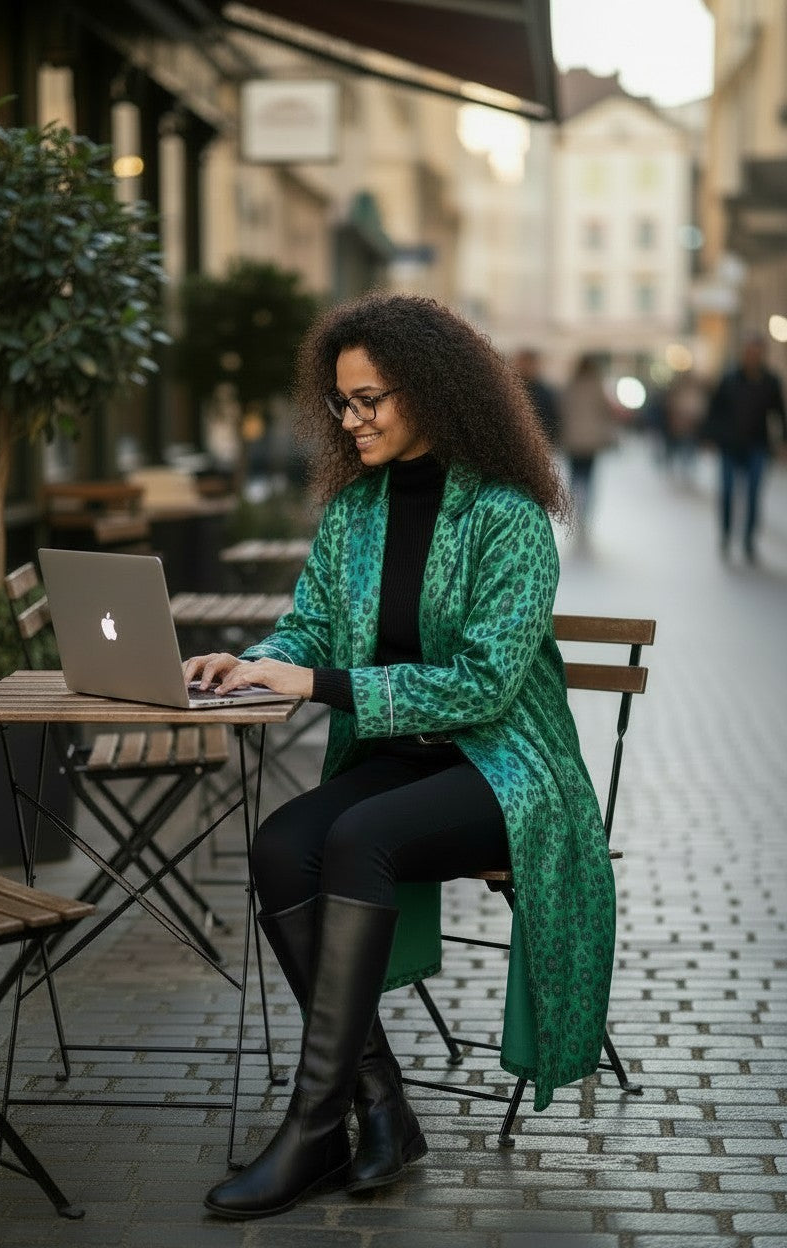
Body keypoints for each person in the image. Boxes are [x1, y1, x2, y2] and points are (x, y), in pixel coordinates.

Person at [184, 294, 617, 1222]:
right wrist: (255, 662)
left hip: (507, 768)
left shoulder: (508, 517)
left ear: (431, 389)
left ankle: (313, 1130)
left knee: (359, 841)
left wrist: (320, 686)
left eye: (371, 398)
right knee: (277, 845)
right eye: (342, 404)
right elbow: (309, 625)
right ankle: (380, 1105)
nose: (354, 420)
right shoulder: (355, 513)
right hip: (405, 758)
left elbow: (484, 685)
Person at [703, 334, 786, 562]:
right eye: (749, 352)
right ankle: (727, 535)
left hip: (757, 445)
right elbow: (715, 410)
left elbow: (779, 413)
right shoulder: (729, 379)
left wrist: (782, 442)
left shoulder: (771, 381)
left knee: (752, 494)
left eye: (757, 352)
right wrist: (710, 437)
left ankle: (749, 540)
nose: (753, 356)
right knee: (728, 492)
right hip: (730, 445)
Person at [558, 354, 618, 542]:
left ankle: (575, 508)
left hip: (572, 439)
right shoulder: (597, 385)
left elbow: (561, 409)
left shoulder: (570, 385)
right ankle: (586, 512)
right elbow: (606, 410)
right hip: (591, 440)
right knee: (589, 476)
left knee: (574, 475)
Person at [514, 347, 560, 444]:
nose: (524, 367)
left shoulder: (545, 392)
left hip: (538, 443)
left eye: (528, 363)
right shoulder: (510, 388)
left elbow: (552, 419)